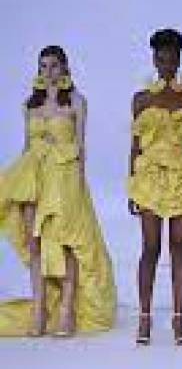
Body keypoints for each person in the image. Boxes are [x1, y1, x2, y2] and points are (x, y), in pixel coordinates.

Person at [0, 45, 116, 337]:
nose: (48, 71)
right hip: (34, 178)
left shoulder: (77, 101)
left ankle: (66, 311)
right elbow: (26, 147)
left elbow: (81, 148)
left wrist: (79, 185)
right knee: (35, 243)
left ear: (64, 67)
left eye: (53, 65)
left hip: (64, 179)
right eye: (43, 66)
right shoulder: (30, 105)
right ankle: (39, 311)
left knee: (66, 242)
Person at [128, 29, 182, 346]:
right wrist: (131, 185)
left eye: (172, 59)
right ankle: (144, 317)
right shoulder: (141, 99)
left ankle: (178, 318)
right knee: (150, 248)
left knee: (180, 247)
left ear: (179, 60)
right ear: (154, 59)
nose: (166, 65)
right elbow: (135, 145)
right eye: (161, 59)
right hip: (150, 179)